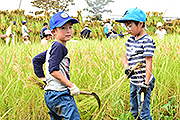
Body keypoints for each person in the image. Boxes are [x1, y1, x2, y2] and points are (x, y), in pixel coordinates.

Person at [32, 11, 80, 120]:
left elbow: (36, 60)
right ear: (53, 31)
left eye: (70, 27)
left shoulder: (52, 47)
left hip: (50, 95)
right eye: (63, 28)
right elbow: (53, 70)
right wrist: (71, 85)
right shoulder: (59, 47)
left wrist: (44, 79)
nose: (68, 31)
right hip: (60, 94)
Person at [115, 8, 156, 120]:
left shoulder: (147, 41)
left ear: (140, 24)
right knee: (134, 111)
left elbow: (148, 62)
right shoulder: (131, 40)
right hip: (133, 81)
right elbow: (125, 57)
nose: (128, 29)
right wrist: (127, 68)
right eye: (126, 26)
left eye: (130, 25)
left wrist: (146, 84)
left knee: (144, 114)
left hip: (143, 82)